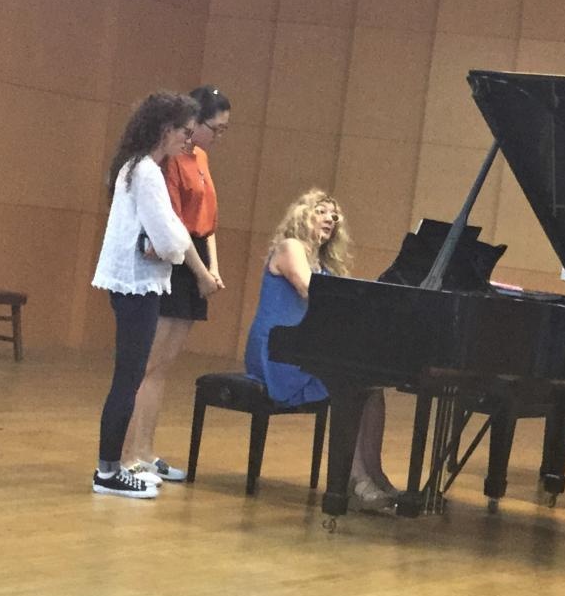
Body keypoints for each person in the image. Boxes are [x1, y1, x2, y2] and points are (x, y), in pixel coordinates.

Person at [90, 92, 219, 499]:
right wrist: (175, 249)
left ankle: (112, 467)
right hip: (137, 285)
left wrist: (172, 244)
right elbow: (169, 238)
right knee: (128, 379)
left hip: (137, 283)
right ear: (165, 129)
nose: (188, 140)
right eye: (184, 132)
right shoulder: (145, 171)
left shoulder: (138, 166)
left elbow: (172, 233)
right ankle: (108, 471)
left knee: (129, 377)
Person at [244, 189, 397, 509]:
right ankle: (356, 479)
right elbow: (308, 290)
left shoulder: (324, 262)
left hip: (301, 347)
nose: (330, 219)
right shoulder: (290, 247)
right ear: (303, 215)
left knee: (371, 387)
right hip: (276, 352)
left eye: (334, 215)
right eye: (321, 211)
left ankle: (374, 473)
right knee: (352, 386)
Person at [122, 86, 231, 486]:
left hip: (196, 255)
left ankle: (146, 452)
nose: (217, 137)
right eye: (214, 128)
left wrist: (212, 268)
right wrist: (200, 273)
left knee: (164, 366)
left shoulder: (201, 158)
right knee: (148, 365)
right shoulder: (167, 164)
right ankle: (128, 455)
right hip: (176, 259)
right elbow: (174, 227)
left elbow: (207, 222)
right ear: (193, 123)